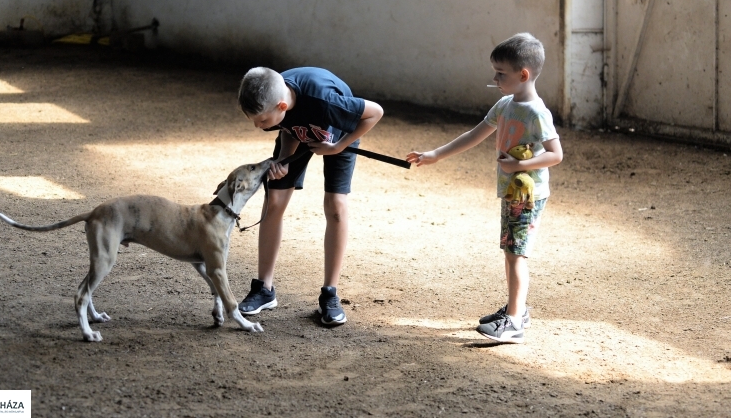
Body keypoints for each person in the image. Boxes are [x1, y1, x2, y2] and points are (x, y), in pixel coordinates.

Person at [407, 33, 563, 343]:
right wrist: (435, 155)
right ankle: (516, 309)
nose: (494, 77)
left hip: (527, 195)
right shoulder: (506, 103)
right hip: (510, 192)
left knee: (517, 254)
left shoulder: (536, 113)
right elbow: (475, 134)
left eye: (500, 73)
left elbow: (555, 154)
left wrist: (518, 166)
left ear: (523, 75)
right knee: (510, 251)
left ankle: (515, 322)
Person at [237, 66, 384, 326]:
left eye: (261, 121)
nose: (258, 126)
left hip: (338, 135)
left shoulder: (326, 102)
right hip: (299, 131)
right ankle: (264, 288)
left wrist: (338, 146)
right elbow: (291, 127)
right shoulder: (276, 104)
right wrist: (282, 161)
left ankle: (330, 293)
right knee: (275, 200)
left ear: (282, 106)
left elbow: (375, 113)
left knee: (336, 207)